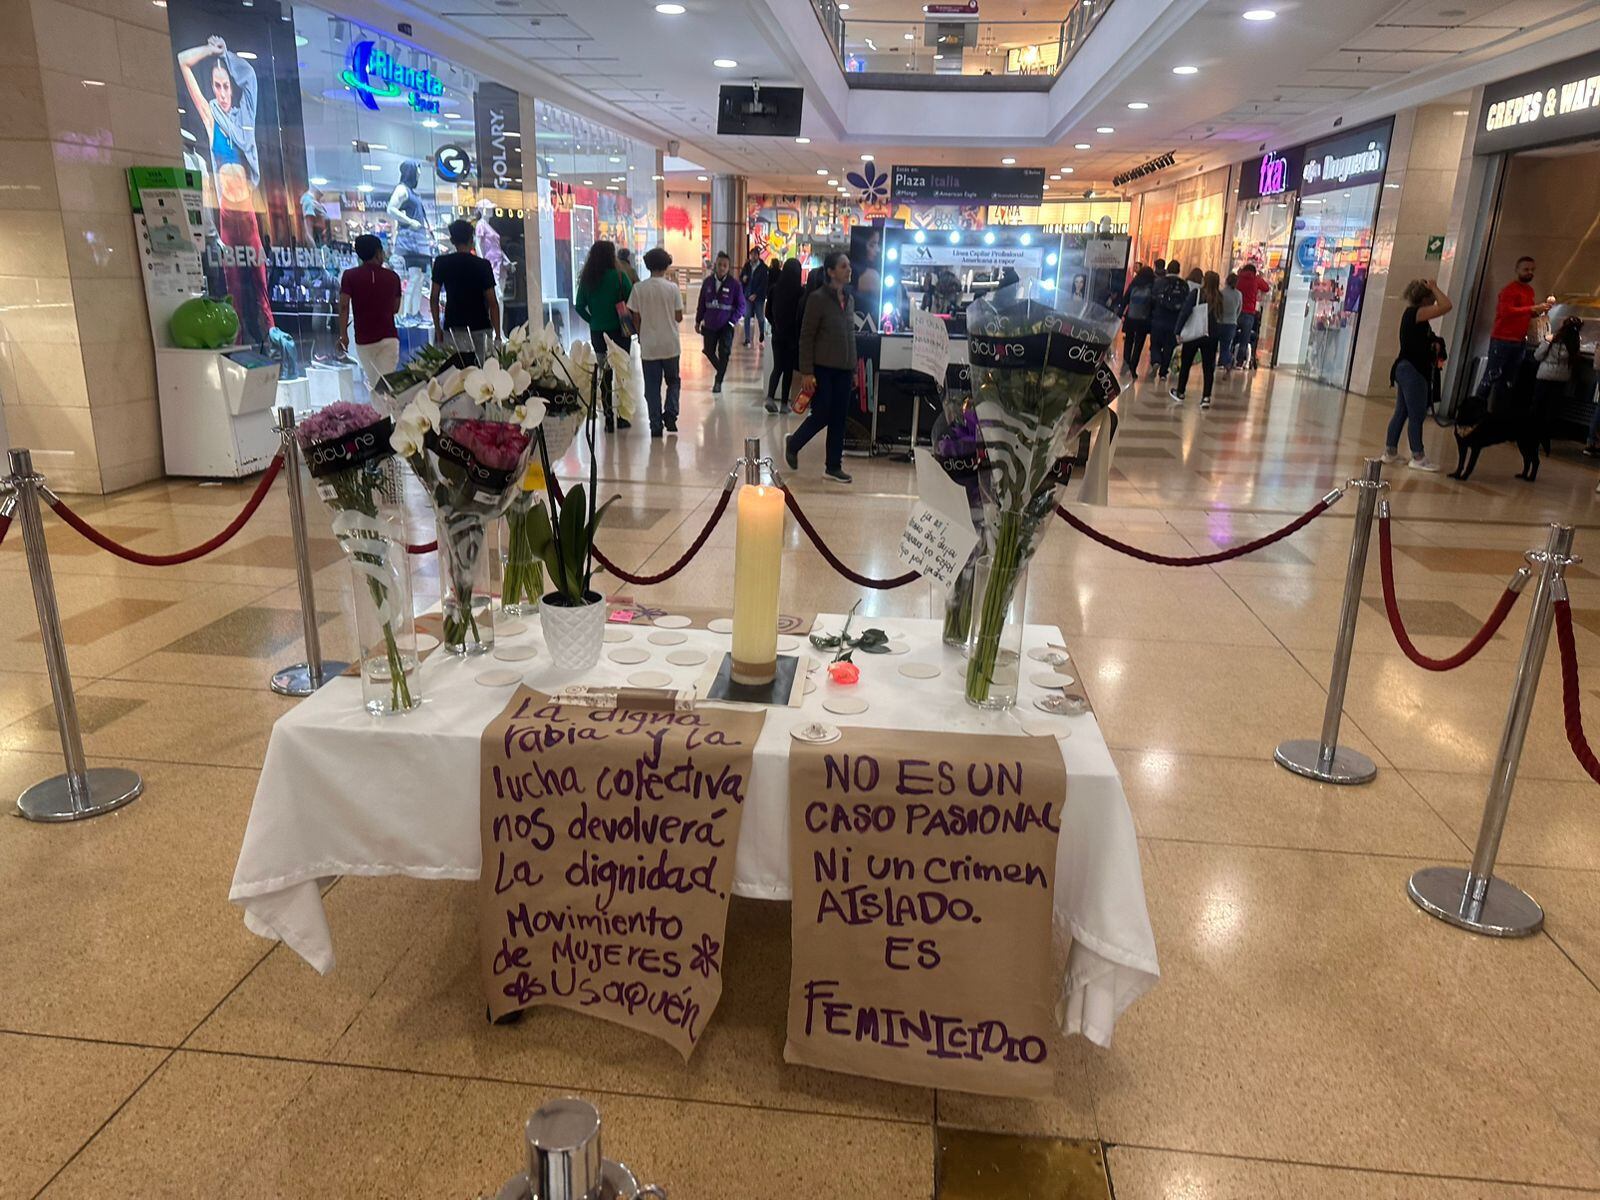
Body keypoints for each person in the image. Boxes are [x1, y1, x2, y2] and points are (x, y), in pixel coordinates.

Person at [177, 36, 276, 347]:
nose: (221, 93)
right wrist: (209, 51)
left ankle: (273, 343)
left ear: (233, 88)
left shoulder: (244, 117)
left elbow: (251, 78)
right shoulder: (211, 117)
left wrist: (227, 54)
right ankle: (239, 348)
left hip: (247, 212)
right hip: (225, 216)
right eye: (216, 86)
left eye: (225, 86)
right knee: (232, 286)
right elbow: (183, 60)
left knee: (260, 284)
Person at [785, 251, 856, 485]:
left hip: (844, 369)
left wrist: (853, 368)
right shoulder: (817, 299)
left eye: (849, 266)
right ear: (830, 271)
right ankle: (794, 443)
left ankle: (833, 466)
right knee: (822, 414)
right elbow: (806, 337)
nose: (848, 269)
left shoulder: (849, 299)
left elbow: (850, 336)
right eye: (843, 266)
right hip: (823, 369)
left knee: (839, 417)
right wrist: (807, 371)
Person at [1382, 278, 1452, 472]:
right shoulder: (1418, 312)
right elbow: (1447, 305)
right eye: (1431, 297)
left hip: (1404, 367)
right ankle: (1418, 456)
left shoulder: (1412, 315)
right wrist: (1435, 287)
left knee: (1402, 411)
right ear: (1424, 298)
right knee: (1416, 414)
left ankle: (1390, 451)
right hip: (1413, 370)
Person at [574, 239, 634, 431]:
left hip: (598, 333)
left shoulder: (588, 280)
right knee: (622, 374)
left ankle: (608, 418)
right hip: (621, 332)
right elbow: (631, 300)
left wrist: (592, 319)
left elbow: (579, 306)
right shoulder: (619, 277)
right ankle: (622, 416)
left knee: (605, 374)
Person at [1474, 256, 1551, 407]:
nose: (1529, 273)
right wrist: (1532, 309)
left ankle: (1499, 412)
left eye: (1532, 270)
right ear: (1517, 270)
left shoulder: (1529, 291)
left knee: (1509, 380)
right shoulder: (1510, 290)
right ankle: (1476, 411)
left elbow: (1526, 313)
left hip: (1519, 340)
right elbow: (1505, 311)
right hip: (1502, 339)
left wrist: (1539, 311)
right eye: (1526, 269)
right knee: (1490, 376)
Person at [626, 246, 683, 439]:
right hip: (671, 345)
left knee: (652, 386)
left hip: (649, 345)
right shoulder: (672, 288)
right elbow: (679, 317)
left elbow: (635, 317)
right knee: (673, 381)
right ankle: (671, 414)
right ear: (666, 265)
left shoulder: (638, 288)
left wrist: (641, 334)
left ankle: (655, 425)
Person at [337, 234, 402, 390]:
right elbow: (395, 308)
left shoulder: (349, 276)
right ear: (378, 252)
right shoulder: (393, 277)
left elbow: (344, 305)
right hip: (388, 337)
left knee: (374, 383)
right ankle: (386, 413)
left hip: (364, 340)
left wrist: (343, 335)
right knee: (386, 385)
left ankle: (380, 413)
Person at [430, 218, 500, 352]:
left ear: (452, 241)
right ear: (471, 239)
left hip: (453, 326)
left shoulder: (441, 263)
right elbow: (493, 303)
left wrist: (437, 328)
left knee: (456, 369)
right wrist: (497, 335)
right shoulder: (483, 265)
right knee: (481, 369)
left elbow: (434, 298)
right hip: (480, 325)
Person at [389, 161, 434, 326]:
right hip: (411, 241)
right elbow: (391, 209)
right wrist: (409, 221)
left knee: (419, 277)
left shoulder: (411, 192)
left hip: (418, 241)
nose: (419, 176)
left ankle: (414, 313)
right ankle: (408, 313)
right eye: (417, 172)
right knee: (414, 278)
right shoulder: (401, 189)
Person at [1172, 270, 1222, 409]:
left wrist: (1178, 330)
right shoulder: (1219, 297)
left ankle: (1180, 391)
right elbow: (1220, 317)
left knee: (1186, 364)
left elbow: (1185, 311)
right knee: (1208, 368)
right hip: (1211, 336)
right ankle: (1206, 397)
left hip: (1195, 334)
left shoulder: (1197, 294)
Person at [1533, 315, 1582, 456]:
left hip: (1544, 375)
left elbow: (1537, 356)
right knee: (1551, 408)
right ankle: (1546, 438)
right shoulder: (1574, 344)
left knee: (1538, 406)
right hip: (1561, 379)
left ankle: (1534, 435)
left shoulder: (1551, 339)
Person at [695, 252, 744, 394]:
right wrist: (698, 321)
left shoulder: (734, 285)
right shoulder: (708, 282)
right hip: (709, 325)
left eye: (725, 266)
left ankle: (718, 381)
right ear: (715, 265)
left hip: (726, 326)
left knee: (724, 353)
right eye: (720, 265)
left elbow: (741, 306)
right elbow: (701, 303)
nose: (722, 268)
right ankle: (721, 369)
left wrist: (732, 322)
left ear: (728, 268)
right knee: (708, 351)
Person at [764, 257, 805, 413]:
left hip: (777, 335)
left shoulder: (775, 289)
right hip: (792, 337)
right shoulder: (800, 292)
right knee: (788, 369)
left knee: (777, 367)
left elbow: (767, 312)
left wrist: (775, 324)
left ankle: (769, 397)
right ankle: (783, 404)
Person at [1147, 260, 1188, 383]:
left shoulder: (1159, 282)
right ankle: (1163, 373)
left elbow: (1152, 300)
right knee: (1169, 347)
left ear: (1168, 270)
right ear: (1179, 270)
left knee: (1155, 344)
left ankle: (1156, 361)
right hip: (1174, 322)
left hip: (1159, 319)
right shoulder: (1184, 285)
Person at [1118, 265, 1156, 378]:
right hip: (1144, 320)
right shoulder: (1152, 285)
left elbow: (1125, 299)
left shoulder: (1134, 283)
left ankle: (1125, 365)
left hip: (1131, 317)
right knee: (1139, 345)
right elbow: (1154, 304)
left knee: (1128, 341)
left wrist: (1120, 313)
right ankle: (1133, 369)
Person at [1233, 263, 1271, 368]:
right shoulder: (1256, 279)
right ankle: (1239, 362)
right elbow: (1266, 288)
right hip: (1249, 313)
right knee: (1244, 339)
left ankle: (1227, 358)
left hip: (1236, 312)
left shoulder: (1238, 278)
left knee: (1232, 335)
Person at [740, 248, 769, 346]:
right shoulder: (747, 266)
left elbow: (764, 283)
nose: (753, 257)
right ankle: (747, 338)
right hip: (748, 295)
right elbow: (741, 276)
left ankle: (761, 333)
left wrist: (756, 294)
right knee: (747, 316)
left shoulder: (763, 268)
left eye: (755, 255)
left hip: (759, 297)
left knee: (760, 317)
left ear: (758, 255)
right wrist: (743, 279)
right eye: (751, 255)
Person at [1217, 272, 1243, 380]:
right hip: (1232, 324)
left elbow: (1217, 309)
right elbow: (1239, 310)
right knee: (1225, 346)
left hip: (1221, 323)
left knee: (1217, 346)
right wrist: (1234, 319)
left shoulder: (1221, 293)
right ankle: (1228, 363)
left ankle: (1226, 363)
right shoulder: (1239, 294)